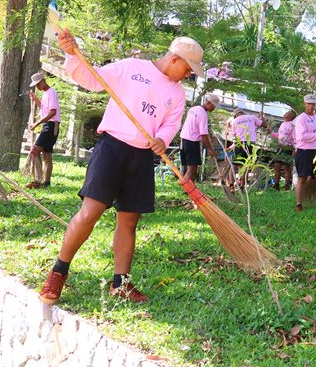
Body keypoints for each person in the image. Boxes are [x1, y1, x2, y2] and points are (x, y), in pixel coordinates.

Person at [39, 31, 204, 305]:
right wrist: (72, 53)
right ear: (174, 59)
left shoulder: (176, 93)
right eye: (187, 69)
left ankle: (121, 284)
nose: (188, 75)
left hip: (141, 158)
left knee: (129, 221)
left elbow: (171, 124)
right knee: (90, 211)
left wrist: (162, 139)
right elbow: (92, 79)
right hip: (112, 149)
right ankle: (59, 272)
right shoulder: (131, 68)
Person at [25, 73, 61, 189]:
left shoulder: (52, 92)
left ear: (43, 81)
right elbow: (44, 108)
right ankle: (46, 182)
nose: (37, 87)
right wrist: (35, 99)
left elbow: (52, 112)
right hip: (48, 125)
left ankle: (37, 179)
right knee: (47, 155)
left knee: (34, 151)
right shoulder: (45, 94)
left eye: (38, 84)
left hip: (51, 125)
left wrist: (37, 123)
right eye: (35, 85)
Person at [180, 94, 220, 182]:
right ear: (208, 103)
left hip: (184, 140)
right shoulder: (203, 114)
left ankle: (187, 189)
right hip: (192, 141)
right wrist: (210, 148)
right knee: (192, 169)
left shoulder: (193, 109)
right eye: (213, 106)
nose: (214, 109)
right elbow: (203, 134)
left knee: (188, 167)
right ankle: (187, 188)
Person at [231, 107, 269, 187]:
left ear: (236, 115)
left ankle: (231, 183)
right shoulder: (252, 117)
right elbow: (264, 125)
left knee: (235, 164)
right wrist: (262, 117)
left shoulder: (234, 121)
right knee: (247, 164)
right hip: (250, 143)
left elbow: (234, 135)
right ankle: (243, 184)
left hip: (239, 143)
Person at [271, 110, 296, 191]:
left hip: (288, 147)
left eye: (288, 113)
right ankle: (276, 185)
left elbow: (295, 137)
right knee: (277, 165)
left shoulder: (293, 125)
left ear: (291, 116)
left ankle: (286, 186)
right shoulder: (282, 124)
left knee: (286, 166)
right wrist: (271, 133)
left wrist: (294, 149)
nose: (285, 113)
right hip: (280, 146)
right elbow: (279, 135)